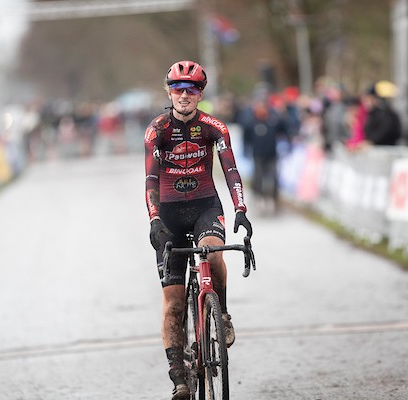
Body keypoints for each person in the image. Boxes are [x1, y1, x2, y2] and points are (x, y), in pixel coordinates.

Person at [144, 60, 253, 400]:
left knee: (214, 253)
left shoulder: (214, 128)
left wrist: (241, 209)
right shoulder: (158, 130)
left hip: (206, 205)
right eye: (178, 89)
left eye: (191, 90)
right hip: (170, 214)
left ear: (200, 94)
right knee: (173, 304)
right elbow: (149, 180)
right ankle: (178, 378)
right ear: (169, 92)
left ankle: (219, 312)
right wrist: (155, 220)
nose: (184, 95)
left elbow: (231, 170)